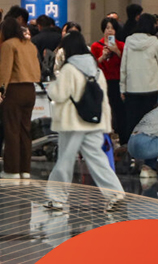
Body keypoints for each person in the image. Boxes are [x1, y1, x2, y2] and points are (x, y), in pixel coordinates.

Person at [45, 34, 125, 210]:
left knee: (65, 160)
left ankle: (57, 198)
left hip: (73, 123)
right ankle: (115, 194)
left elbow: (59, 94)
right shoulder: (95, 69)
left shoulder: (69, 69)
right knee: (98, 160)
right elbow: (102, 97)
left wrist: (51, 87)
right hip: (94, 122)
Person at [0, 15, 41, 180]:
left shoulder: (8, 45)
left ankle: (12, 169)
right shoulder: (30, 45)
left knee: (12, 130)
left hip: (14, 90)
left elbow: (5, 70)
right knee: (25, 131)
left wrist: (0, 90)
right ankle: (25, 169)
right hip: (30, 90)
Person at [119, 12, 158, 135]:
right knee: (148, 121)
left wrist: (122, 88)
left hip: (132, 88)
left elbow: (123, 66)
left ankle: (131, 144)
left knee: (132, 121)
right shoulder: (155, 42)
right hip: (150, 88)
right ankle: (147, 144)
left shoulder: (129, 40)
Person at [91, 16, 125, 140]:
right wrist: (102, 57)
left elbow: (126, 63)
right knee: (104, 108)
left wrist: (117, 51)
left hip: (117, 80)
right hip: (102, 80)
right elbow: (92, 65)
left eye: (112, 28)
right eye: (107, 28)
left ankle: (121, 135)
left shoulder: (121, 45)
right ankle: (105, 135)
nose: (109, 31)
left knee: (118, 109)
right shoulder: (96, 46)